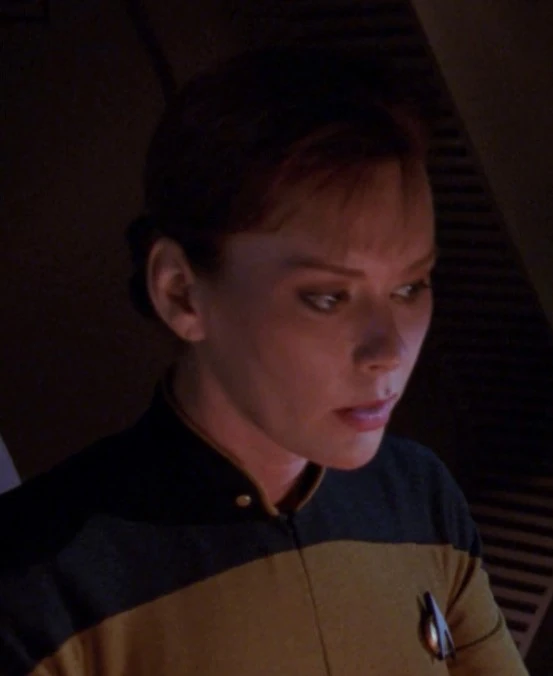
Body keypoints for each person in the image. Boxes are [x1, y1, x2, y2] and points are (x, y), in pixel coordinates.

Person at [0, 46, 528, 675]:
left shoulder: (420, 495)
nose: (389, 349)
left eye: (410, 287)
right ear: (181, 292)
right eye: (327, 297)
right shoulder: (38, 579)